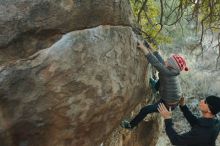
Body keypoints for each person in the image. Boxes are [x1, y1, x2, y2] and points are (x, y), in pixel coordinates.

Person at [121, 40, 188, 129]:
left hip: (168, 104)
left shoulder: (167, 72)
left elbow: (155, 62)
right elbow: (159, 58)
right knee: (161, 78)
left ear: (171, 65)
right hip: (172, 97)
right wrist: (149, 47)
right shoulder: (172, 70)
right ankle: (155, 88)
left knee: (145, 110)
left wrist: (143, 48)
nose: (166, 59)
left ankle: (131, 125)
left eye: (169, 60)